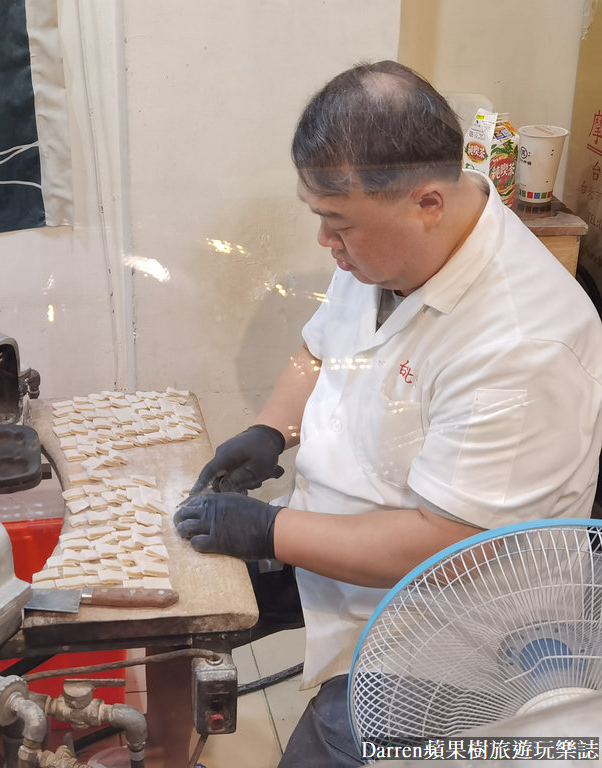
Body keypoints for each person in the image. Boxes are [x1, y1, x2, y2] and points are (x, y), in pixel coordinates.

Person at [174, 60, 602, 766]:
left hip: (448, 633)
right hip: (340, 546)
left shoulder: (523, 341)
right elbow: (321, 351)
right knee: (178, 600)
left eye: (336, 223)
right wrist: (271, 429)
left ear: (427, 202)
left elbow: (439, 542)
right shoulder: (391, 253)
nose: (324, 244)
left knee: (329, 746)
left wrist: (272, 530)